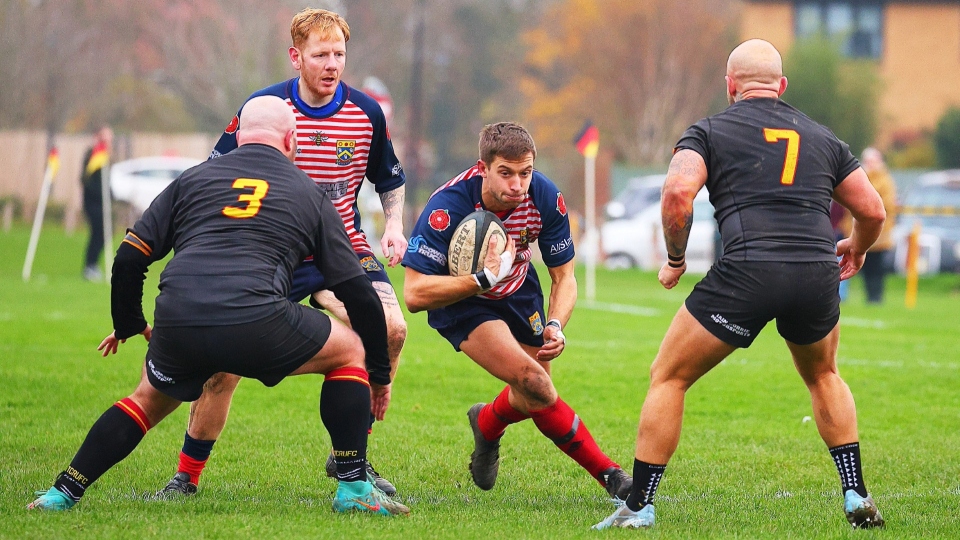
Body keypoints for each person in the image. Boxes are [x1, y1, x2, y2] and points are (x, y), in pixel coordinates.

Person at [28, 96, 408, 516]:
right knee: (349, 351)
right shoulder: (308, 193)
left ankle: (62, 492)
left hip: (180, 319)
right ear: (290, 139)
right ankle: (353, 489)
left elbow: (130, 257)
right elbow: (356, 292)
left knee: (144, 401)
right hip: (259, 319)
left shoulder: (193, 179)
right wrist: (378, 374)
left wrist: (130, 325)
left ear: (240, 136)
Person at [593, 39, 887, 530]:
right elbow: (873, 209)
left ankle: (638, 506)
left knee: (669, 376)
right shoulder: (822, 136)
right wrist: (856, 246)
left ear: (730, 86)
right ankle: (855, 494)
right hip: (816, 273)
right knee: (823, 376)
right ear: (782, 86)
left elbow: (676, 194)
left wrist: (675, 259)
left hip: (748, 271)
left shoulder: (708, 131)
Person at [159, 8, 407, 498]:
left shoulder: (367, 113)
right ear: (297, 57)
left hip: (341, 249)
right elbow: (216, 174)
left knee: (391, 327)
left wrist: (395, 225)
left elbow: (390, 179)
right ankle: (186, 476)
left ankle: (352, 458)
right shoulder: (264, 109)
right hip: (270, 249)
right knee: (223, 365)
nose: (332, 63)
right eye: (321, 55)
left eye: (339, 54)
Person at [402, 122, 634, 500]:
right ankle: (613, 478)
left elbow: (565, 277)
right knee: (536, 384)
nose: (517, 185)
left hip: (519, 290)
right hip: (462, 300)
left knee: (532, 396)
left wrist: (557, 324)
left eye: (525, 173)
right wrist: (481, 278)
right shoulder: (446, 208)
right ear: (483, 168)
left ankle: (487, 422)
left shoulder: (543, 196)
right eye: (505, 173)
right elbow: (413, 294)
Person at [858, 147, 897, 304]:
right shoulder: (859, 178)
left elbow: (889, 205)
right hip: (861, 229)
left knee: (877, 266)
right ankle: (869, 296)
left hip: (880, 231)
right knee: (864, 266)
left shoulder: (885, 180)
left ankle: (877, 296)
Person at [80, 126, 113, 281]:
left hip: (103, 204)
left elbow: (106, 182)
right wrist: (101, 194)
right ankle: (89, 266)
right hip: (93, 203)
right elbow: (87, 180)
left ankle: (92, 264)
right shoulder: (92, 155)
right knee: (98, 232)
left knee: (105, 232)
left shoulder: (105, 157)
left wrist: (111, 195)